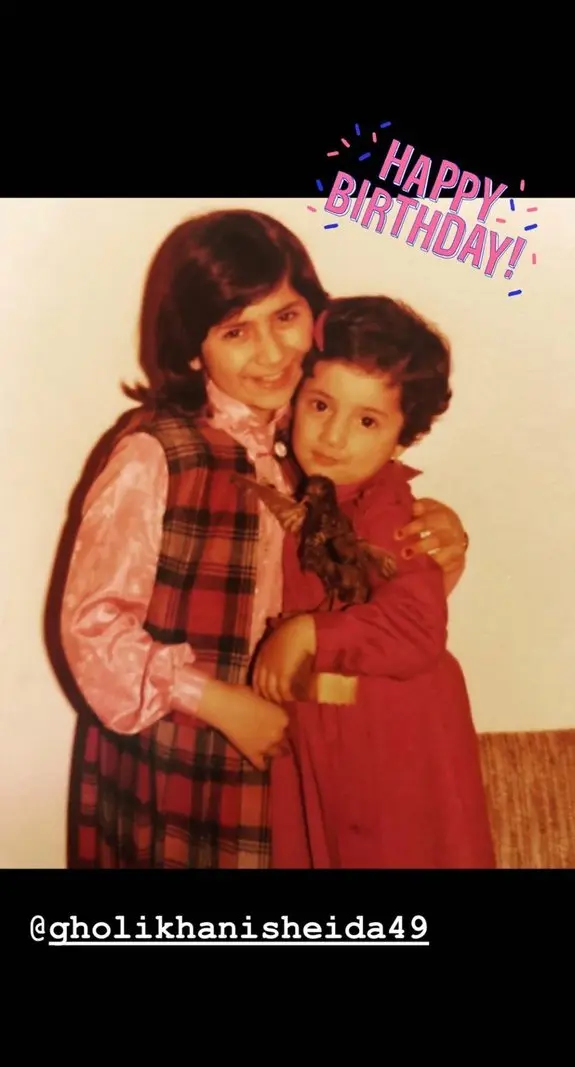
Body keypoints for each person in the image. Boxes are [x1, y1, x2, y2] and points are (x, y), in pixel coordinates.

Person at [61, 209, 471, 869]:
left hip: (286, 768)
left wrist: (444, 540)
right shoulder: (153, 454)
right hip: (176, 758)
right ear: (193, 348)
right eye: (236, 331)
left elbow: (365, 589)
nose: (273, 351)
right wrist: (219, 703)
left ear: (316, 315)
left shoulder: (315, 438)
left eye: (285, 317)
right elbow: (92, 630)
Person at [253, 295, 495, 869]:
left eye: (366, 421)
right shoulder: (292, 492)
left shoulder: (389, 512)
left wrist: (310, 633)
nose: (333, 437)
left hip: (396, 739)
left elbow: (418, 626)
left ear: (402, 438)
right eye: (320, 405)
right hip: (324, 732)